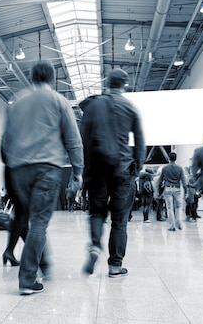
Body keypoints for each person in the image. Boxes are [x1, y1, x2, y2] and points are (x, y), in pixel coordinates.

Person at [2, 61, 83, 295]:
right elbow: (73, 139)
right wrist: (77, 171)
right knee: (39, 223)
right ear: (53, 78)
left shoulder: (16, 101)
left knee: (30, 220)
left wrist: (15, 162)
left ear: (31, 78)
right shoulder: (59, 101)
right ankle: (27, 279)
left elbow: (6, 141)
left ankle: (44, 262)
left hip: (18, 170)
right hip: (47, 168)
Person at [79, 68, 145, 279]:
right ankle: (115, 265)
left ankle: (95, 246)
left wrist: (85, 170)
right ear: (123, 85)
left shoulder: (93, 105)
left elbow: (84, 140)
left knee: (97, 212)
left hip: (98, 170)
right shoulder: (130, 107)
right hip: (122, 170)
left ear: (107, 83)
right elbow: (140, 141)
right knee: (119, 220)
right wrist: (138, 165)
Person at [157, 152, 187, 231]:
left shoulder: (165, 168)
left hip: (167, 188)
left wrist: (158, 190)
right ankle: (179, 224)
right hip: (177, 189)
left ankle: (172, 226)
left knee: (170, 208)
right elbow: (184, 180)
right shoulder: (180, 168)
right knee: (178, 207)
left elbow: (160, 180)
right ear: (175, 158)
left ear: (168, 158)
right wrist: (186, 190)